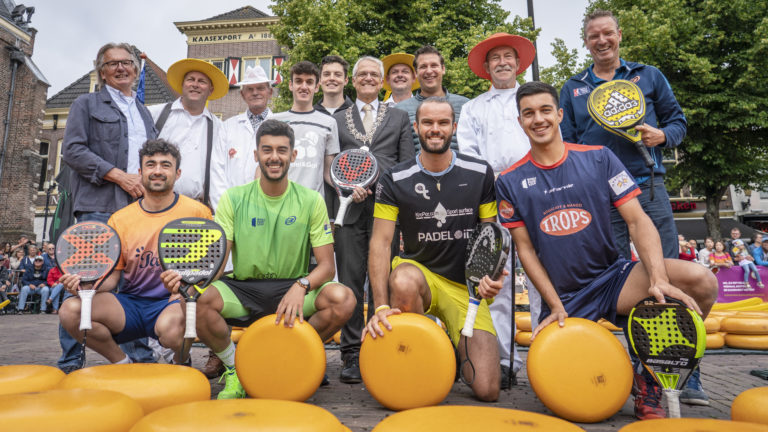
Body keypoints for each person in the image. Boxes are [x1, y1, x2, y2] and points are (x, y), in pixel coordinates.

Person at [495, 81, 717, 420]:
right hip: (565, 298)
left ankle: (650, 377)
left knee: (701, 280)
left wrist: (657, 278)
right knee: (571, 399)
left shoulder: (599, 158)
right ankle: (616, 365)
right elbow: (525, 251)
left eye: (544, 110)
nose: (537, 119)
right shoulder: (509, 181)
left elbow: (638, 221)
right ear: (520, 121)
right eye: (528, 113)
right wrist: (554, 305)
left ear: (559, 114)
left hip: (614, 279)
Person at [558, 9, 709, 407]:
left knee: (669, 281)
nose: (602, 40)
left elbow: (678, 122)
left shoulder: (650, 75)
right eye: (594, 35)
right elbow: (566, 144)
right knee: (617, 284)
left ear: (619, 36)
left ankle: (683, 374)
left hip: (649, 189)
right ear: (586, 42)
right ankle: (637, 371)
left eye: (608, 33)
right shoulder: (572, 88)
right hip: (601, 199)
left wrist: (664, 135)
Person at [161, 119, 355, 399]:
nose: (274, 157)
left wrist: (301, 286)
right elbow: (218, 260)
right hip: (243, 288)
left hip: (292, 288)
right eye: (267, 150)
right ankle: (234, 369)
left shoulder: (312, 200)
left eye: (281, 150)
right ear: (256, 155)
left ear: (293, 156)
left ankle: (294, 355)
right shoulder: (233, 198)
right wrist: (190, 284)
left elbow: (326, 266)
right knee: (193, 299)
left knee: (344, 298)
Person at [364, 97, 504, 401]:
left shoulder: (480, 172)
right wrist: (379, 307)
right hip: (419, 275)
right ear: (416, 127)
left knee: (488, 389)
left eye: (443, 123)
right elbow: (381, 243)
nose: (435, 129)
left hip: (464, 286)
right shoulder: (395, 178)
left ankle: (450, 347)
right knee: (402, 280)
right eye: (427, 123)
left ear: (453, 127)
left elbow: (490, 235)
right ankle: (420, 364)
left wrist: (491, 279)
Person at [58, 139, 212, 366]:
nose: (157, 171)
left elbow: (207, 271)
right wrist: (89, 286)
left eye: (165, 165)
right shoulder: (120, 219)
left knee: (173, 327)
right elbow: (113, 276)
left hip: (171, 301)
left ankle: (181, 360)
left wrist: (185, 290)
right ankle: (123, 363)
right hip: (130, 303)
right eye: (151, 165)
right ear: (140, 172)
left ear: (177, 173)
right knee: (70, 310)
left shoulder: (198, 212)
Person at [59, 42, 158, 372]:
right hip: (98, 206)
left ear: (136, 69)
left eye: (127, 62)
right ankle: (72, 362)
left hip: (135, 211)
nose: (121, 68)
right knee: (85, 284)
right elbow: (72, 150)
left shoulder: (144, 111)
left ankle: (136, 358)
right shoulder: (85, 103)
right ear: (101, 71)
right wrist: (119, 177)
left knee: (130, 284)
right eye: (112, 63)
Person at [457, 32, 537, 389]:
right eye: (495, 58)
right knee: (498, 284)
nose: (502, 63)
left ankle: (551, 354)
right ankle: (505, 361)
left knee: (541, 279)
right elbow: (469, 153)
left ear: (519, 64)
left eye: (508, 57)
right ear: (486, 68)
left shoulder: (535, 98)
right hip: (493, 197)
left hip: (537, 195)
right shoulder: (474, 108)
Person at [332, 56, 414, 383]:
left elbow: (406, 164)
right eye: (362, 74)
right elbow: (332, 164)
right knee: (351, 281)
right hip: (350, 210)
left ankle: (386, 344)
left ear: (382, 82)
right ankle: (352, 352)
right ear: (354, 81)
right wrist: (347, 186)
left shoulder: (398, 118)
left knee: (383, 282)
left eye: (374, 75)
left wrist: (385, 190)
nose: (368, 79)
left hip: (387, 211)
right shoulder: (337, 120)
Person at [148, 58, 229, 209]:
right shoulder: (156, 113)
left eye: (202, 81)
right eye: (190, 79)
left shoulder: (218, 127)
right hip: (154, 203)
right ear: (182, 85)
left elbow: (220, 171)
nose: (195, 85)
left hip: (194, 207)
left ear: (210, 90)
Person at [272, 61, 339, 197]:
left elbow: (329, 172)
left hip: (313, 205)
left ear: (316, 87)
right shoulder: (274, 121)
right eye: (298, 81)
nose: (304, 87)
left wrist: (349, 188)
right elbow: (264, 166)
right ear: (291, 85)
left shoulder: (329, 123)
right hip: (279, 201)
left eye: (309, 82)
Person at [396, 46, 469, 151]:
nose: (429, 71)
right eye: (423, 67)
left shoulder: (465, 105)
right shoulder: (400, 110)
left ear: (443, 69)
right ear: (416, 73)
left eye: (434, 65)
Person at [218, 65, 274, 195]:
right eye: (250, 89)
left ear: (270, 92)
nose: (255, 93)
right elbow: (217, 168)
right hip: (233, 204)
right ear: (242, 94)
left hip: (269, 204)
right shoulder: (227, 127)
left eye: (260, 88)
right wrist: (223, 204)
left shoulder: (281, 126)